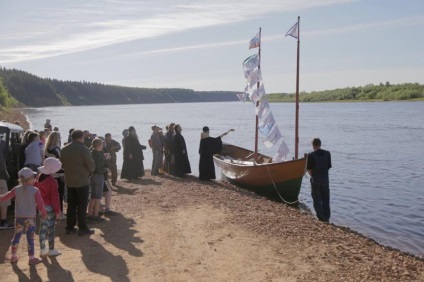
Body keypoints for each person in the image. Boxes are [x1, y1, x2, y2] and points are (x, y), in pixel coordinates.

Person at [0, 168, 47, 265]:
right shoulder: (35, 190)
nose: (34, 178)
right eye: (33, 177)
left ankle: (13, 256)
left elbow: (6, 197)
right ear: (30, 178)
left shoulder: (16, 189)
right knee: (30, 237)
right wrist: (44, 213)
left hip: (19, 217)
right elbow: (40, 204)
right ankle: (31, 258)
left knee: (16, 236)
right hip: (30, 218)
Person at [61, 129, 95, 236]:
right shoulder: (84, 149)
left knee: (71, 205)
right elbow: (91, 166)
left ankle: (70, 227)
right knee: (82, 205)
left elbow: (62, 164)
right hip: (82, 180)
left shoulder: (64, 149)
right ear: (81, 137)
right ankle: (82, 228)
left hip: (70, 181)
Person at [34, 158, 62, 257]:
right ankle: (51, 249)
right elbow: (55, 197)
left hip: (40, 206)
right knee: (51, 228)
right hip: (49, 207)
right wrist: (58, 211)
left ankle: (42, 249)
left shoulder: (38, 177)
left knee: (42, 227)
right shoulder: (52, 181)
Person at [307, 138, 332, 222]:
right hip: (325, 179)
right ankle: (327, 216)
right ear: (320, 144)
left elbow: (309, 170)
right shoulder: (327, 153)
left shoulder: (311, 155)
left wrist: (313, 176)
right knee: (326, 198)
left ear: (313, 145)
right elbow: (328, 167)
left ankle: (321, 217)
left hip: (316, 179)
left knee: (317, 199)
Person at [44, 131, 66, 218]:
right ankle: (59, 213)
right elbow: (60, 162)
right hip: (58, 174)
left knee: (51, 194)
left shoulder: (46, 149)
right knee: (59, 194)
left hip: (49, 173)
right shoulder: (57, 148)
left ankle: (53, 212)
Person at [87, 138, 107, 222]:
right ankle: (95, 215)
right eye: (102, 144)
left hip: (91, 176)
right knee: (98, 196)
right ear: (99, 145)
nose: (103, 146)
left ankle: (89, 214)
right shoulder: (99, 154)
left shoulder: (90, 152)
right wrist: (106, 170)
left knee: (92, 196)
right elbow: (100, 167)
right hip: (98, 175)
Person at [0, 150, 13, 229]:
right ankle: (3, 223)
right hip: (1, 177)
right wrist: (6, 176)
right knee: (4, 200)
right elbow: (1, 166)